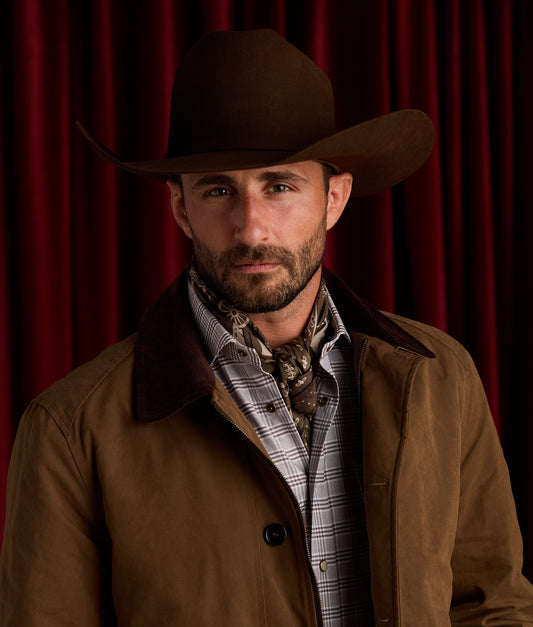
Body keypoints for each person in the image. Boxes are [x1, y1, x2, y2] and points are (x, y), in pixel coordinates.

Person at [1, 28, 532, 627]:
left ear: (334, 198)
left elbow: (493, 606)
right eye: (218, 190)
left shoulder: (442, 378)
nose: (251, 228)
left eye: (279, 186)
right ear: (180, 207)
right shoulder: (70, 430)